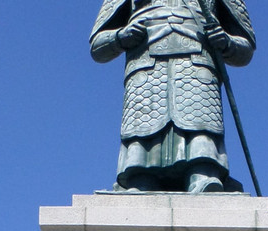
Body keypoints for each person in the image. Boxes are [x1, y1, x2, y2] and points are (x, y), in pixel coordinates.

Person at [90, 0, 255, 193]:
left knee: (199, 124)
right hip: (146, 69)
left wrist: (226, 41)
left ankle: (202, 173)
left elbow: (245, 49)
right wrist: (120, 37)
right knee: (144, 129)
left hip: (197, 68)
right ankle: (141, 175)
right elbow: (97, 47)